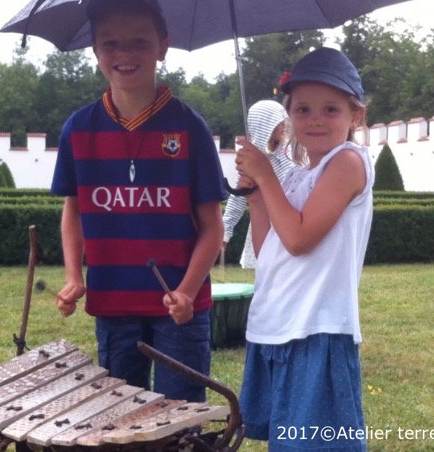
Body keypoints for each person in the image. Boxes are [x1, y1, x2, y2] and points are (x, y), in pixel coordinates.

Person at [50, 0, 227, 403]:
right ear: (95, 50)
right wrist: (74, 276)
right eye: (110, 43)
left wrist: (186, 290)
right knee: (119, 421)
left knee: (180, 422)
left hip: (180, 310)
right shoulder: (78, 129)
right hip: (113, 302)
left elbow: (213, 226)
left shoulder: (189, 127)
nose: (125, 54)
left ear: (163, 46)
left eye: (140, 42)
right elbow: (73, 211)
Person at [234, 47, 373, 451]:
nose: (315, 120)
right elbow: (270, 251)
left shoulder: (348, 162)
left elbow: (298, 239)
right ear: (288, 116)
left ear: (355, 116)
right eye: (303, 110)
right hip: (277, 326)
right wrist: (258, 196)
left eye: (331, 109)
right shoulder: (299, 177)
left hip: (317, 328)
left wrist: (264, 172)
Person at [222, 100, 293, 269]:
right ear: (265, 125)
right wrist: (226, 228)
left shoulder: (289, 152)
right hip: (266, 224)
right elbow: (239, 196)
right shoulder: (253, 161)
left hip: (291, 219)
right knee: (269, 271)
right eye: (277, 122)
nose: (283, 126)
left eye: (284, 120)